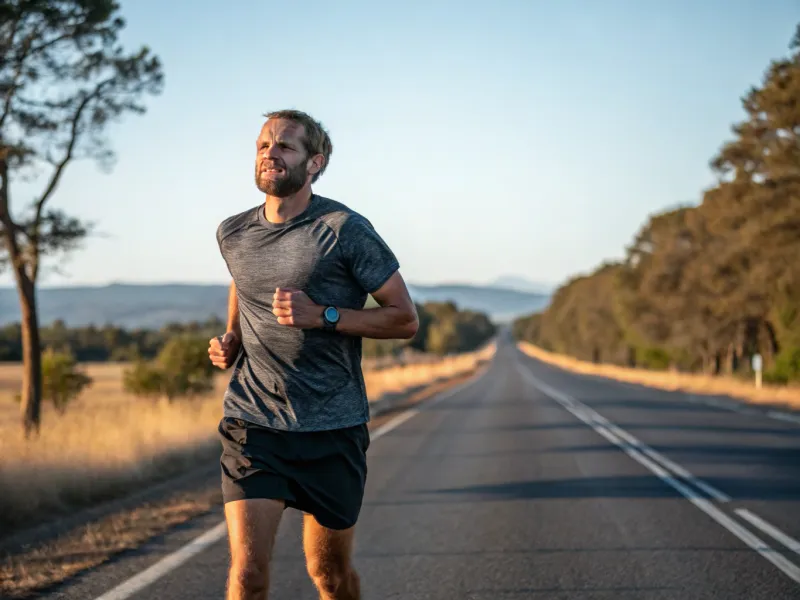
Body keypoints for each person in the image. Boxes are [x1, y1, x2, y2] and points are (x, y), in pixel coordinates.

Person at [208, 109, 419, 600]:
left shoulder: (345, 228)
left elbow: (404, 318)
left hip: (332, 426)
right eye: (263, 145)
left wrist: (322, 315)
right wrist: (233, 335)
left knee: (330, 577)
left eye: (285, 146)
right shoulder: (233, 233)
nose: (270, 154)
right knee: (247, 575)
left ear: (315, 162)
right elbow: (243, 282)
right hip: (254, 423)